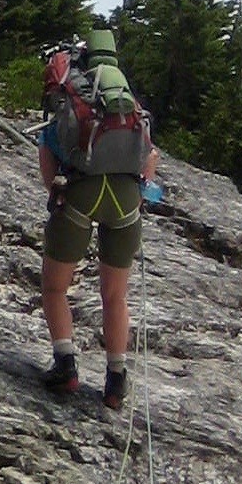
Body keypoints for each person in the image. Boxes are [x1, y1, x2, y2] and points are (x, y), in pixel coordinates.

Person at [37, 25, 159, 408]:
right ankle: (116, 382)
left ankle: (66, 366)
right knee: (114, 295)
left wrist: (58, 188)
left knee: (56, 287)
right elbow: (150, 157)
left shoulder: (73, 102)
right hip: (126, 199)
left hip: (81, 194)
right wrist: (137, 194)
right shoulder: (125, 104)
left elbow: (47, 162)